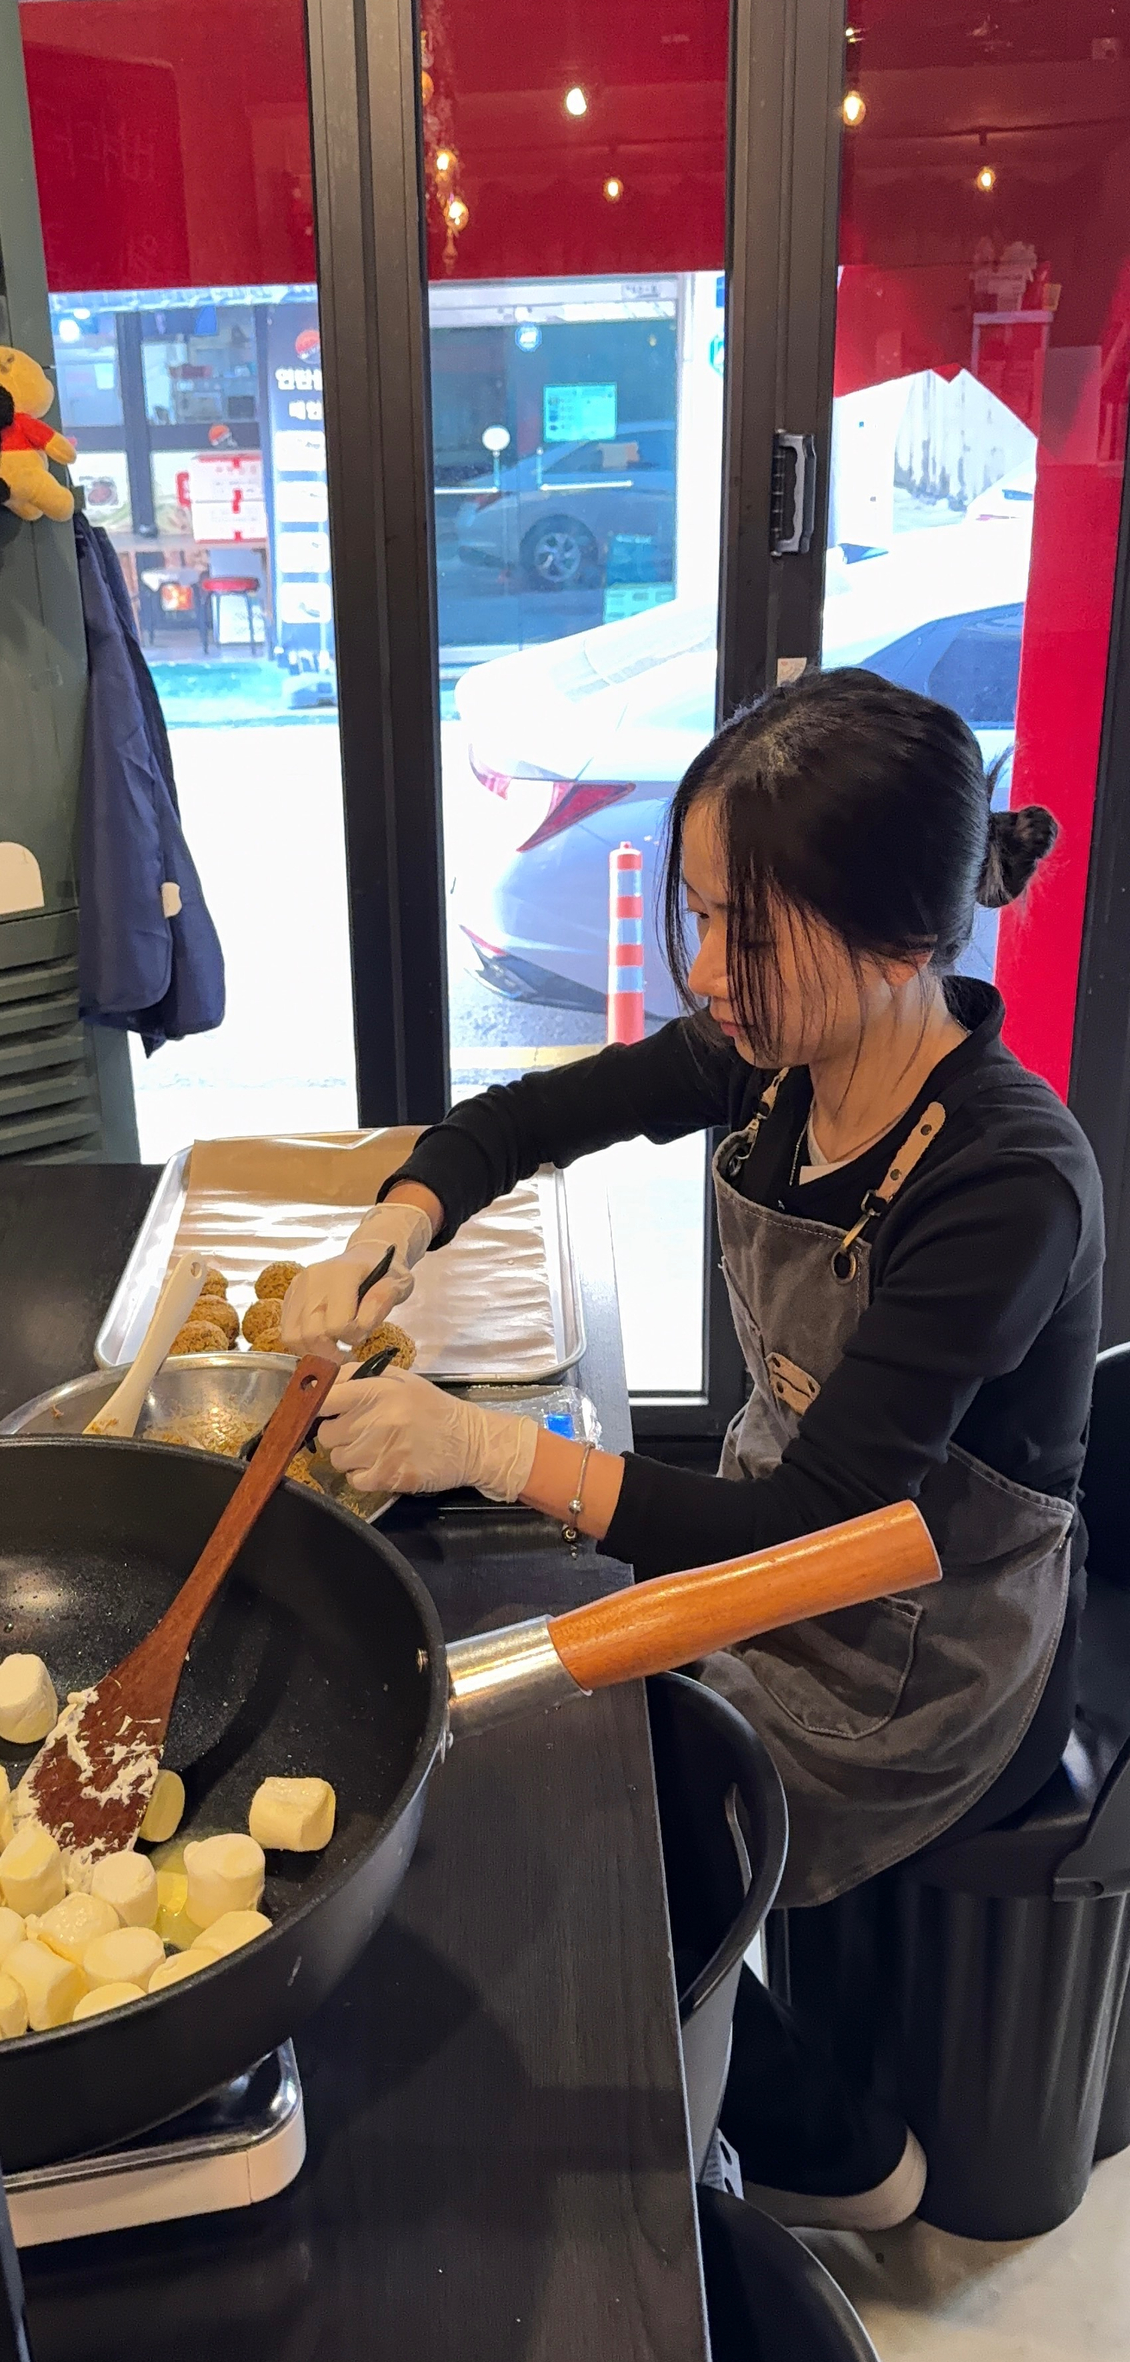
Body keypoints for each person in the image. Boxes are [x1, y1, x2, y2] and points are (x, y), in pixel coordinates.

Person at [281, 667, 1105, 2232]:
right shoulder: (781, 1054)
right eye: (704, 916)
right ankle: (730, 2076)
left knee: (602, 1785)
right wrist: (400, 1220)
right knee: (549, 1730)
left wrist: (491, 1449)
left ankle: (834, 2153)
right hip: (784, 1541)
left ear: (901, 939)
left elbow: (817, 1527)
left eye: (753, 932)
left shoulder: (1007, 1181)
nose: (713, 972)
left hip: (930, 1650)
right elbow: (522, 1120)